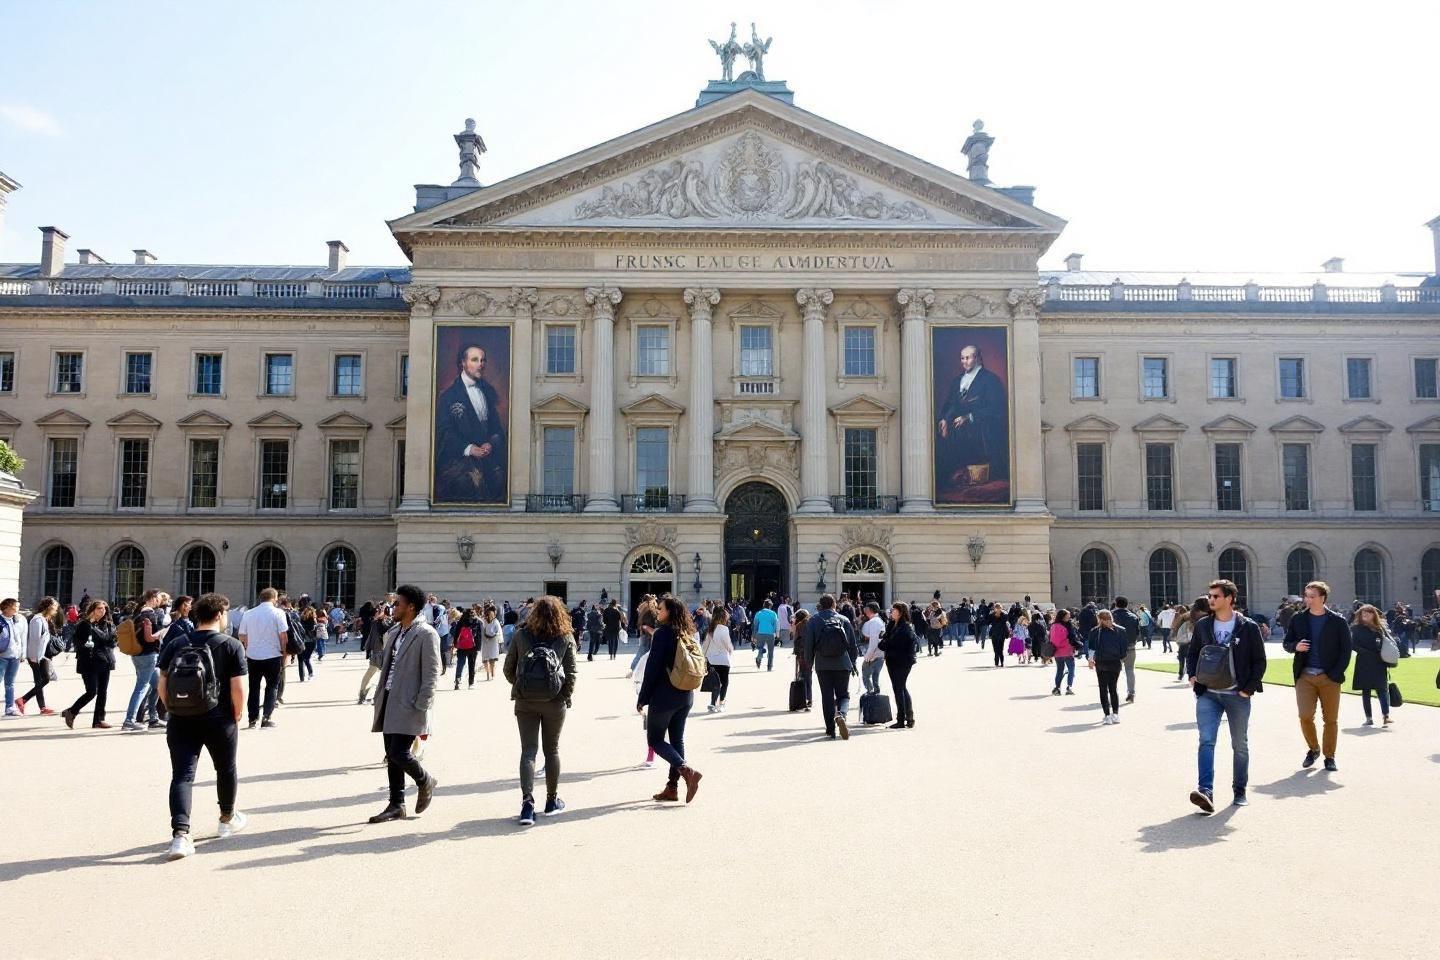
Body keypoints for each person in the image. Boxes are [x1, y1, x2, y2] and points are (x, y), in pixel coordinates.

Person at [156, 592, 250, 860]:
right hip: (219, 717)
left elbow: (162, 683)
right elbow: (238, 687)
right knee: (225, 768)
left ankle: (181, 836)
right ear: (220, 614)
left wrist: (173, 708)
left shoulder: (176, 642)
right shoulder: (231, 645)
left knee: (182, 775)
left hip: (180, 718)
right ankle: (226, 818)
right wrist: (237, 713)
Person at [1186, 579, 1266, 813]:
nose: (1211, 600)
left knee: (1239, 745)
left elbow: (1259, 661)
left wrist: (1248, 688)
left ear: (1229, 598)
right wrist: (1192, 675)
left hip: (1237, 694)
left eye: (1216, 596)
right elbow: (1193, 653)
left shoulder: (1248, 627)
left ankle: (1239, 791)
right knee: (1206, 740)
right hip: (1208, 693)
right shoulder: (1203, 625)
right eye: (1209, 596)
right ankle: (1205, 791)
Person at [367, 584, 441, 824]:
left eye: (397, 603)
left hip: (410, 702)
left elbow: (432, 672)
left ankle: (424, 780)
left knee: (399, 752)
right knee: (391, 754)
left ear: (411, 607)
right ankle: (396, 804)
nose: (392, 606)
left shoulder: (426, 634)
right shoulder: (396, 631)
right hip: (389, 698)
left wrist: (423, 703)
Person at [503, 595, 578, 825]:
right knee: (552, 750)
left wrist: (522, 687)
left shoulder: (521, 634)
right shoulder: (565, 637)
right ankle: (551, 800)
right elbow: (572, 673)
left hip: (525, 701)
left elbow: (508, 669)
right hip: (554, 702)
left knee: (528, 751)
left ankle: (527, 804)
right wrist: (563, 696)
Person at [636, 596, 703, 803]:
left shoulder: (663, 634)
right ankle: (672, 787)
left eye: (661, 609)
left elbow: (653, 668)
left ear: (670, 612)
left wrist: (643, 697)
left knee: (655, 740)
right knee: (677, 740)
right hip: (685, 694)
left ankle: (686, 771)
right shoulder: (686, 632)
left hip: (665, 695)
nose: (658, 612)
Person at [1281, 581, 1353, 773]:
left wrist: (1335, 674)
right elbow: (1286, 642)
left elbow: (1346, 651)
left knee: (1330, 719)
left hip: (1329, 677)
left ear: (1322, 598)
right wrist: (1295, 646)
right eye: (1306, 595)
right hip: (1305, 675)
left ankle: (1330, 756)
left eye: (1312, 596)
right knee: (1305, 716)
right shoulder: (1298, 619)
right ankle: (1313, 749)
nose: (1308, 599)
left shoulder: (1338, 621)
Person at [434, 344, 508, 504]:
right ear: (463, 363)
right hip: (458, 462)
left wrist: (490, 442)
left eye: (483, 360)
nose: (480, 364)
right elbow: (444, 432)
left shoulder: (488, 392)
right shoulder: (449, 396)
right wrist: (469, 449)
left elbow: (495, 427)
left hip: (487, 460)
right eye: (475, 360)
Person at [935, 343, 1010, 495]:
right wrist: (943, 419)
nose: (964, 361)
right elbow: (950, 404)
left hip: (983, 435)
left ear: (977, 358)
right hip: (958, 436)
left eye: (967, 358)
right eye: (962, 358)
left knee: (978, 480)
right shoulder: (957, 381)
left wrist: (969, 417)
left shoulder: (990, 380)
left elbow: (996, 408)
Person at [804, 594, 860, 740]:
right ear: (834, 604)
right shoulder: (844, 620)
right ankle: (841, 714)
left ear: (820, 605)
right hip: (842, 663)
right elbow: (853, 645)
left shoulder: (813, 620)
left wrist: (808, 662)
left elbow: (808, 643)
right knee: (843, 695)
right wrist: (853, 662)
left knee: (827, 696)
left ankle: (830, 729)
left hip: (823, 664)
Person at [238, 588, 289, 729]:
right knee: (272, 687)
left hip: (253, 655)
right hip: (273, 654)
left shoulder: (248, 613)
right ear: (274, 598)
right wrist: (284, 654)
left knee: (254, 687)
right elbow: (283, 636)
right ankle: (267, 717)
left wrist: (249, 646)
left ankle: (252, 719)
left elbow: (242, 635)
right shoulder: (278, 613)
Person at [63, 600, 116, 729]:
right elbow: (77, 642)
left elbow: (111, 641)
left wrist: (99, 636)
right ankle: (72, 711)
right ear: (92, 609)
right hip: (89, 661)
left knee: (103, 692)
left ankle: (99, 720)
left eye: (104, 609)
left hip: (105, 660)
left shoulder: (108, 624)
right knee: (92, 691)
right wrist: (87, 644)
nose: (102, 611)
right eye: (99, 608)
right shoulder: (84, 625)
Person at [1349, 604, 1393, 727]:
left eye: (1369, 613)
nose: (1366, 615)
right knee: (1366, 691)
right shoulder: (1355, 628)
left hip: (1379, 662)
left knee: (1382, 690)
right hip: (1364, 662)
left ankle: (1386, 716)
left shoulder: (1380, 628)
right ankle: (1369, 718)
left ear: (1374, 615)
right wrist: (1364, 652)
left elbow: (1390, 643)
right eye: (1363, 613)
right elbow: (1352, 644)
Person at [16, 597, 59, 716]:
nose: (56, 610)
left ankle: (40, 706)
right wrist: (34, 657)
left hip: (40, 655)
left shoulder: (44, 619)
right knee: (44, 680)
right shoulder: (37, 620)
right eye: (55, 607)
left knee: (40, 681)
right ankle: (23, 700)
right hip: (36, 656)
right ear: (49, 607)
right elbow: (34, 639)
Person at [879, 601, 917, 728]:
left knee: (899, 688)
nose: (891, 612)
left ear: (900, 613)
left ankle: (902, 719)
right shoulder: (892, 625)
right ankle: (909, 718)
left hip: (902, 661)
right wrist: (885, 642)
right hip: (892, 660)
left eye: (893, 610)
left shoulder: (905, 627)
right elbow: (884, 642)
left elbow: (890, 643)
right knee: (900, 687)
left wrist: (885, 642)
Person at [1086, 609, 1127, 724]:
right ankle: (1115, 714)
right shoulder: (1121, 630)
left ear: (1100, 619)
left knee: (1103, 689)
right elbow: (1124, 650)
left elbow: (1091, 647)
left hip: (1102, 662)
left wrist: (1090, 660)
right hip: (1115, 661)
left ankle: (1107, 715)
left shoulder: (1095, 631)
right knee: (1113, 688)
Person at [1110, 596, 1142, 704]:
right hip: (1130, 646)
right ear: (1127, 604)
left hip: (1115, 647)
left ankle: (1113, 693)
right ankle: (1131, 693)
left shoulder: (1111, 616)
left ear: (1116, 604)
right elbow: (1138, 632)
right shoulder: (1133, 616)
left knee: (1114, 672)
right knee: (1130, 670)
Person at [703, 608, 733, 712]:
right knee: (724, 682)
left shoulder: (711, 629)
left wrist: (703, 658)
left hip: (711, 660)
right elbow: (728, 645)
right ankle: (721, 702)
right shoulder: (724, 629)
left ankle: (712, 703)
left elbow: (705, 645)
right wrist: (730, 651)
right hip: (723, 660)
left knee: (715, 683)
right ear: (724, 618)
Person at [1, 598, 27, 716]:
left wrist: (22, 654)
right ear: (7, 607)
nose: (17, 609)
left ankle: (10, 707)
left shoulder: (17, 620)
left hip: (15, 657)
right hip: (2, 656)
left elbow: (21, 639)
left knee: (10, 683)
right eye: (15, 607)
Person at [859, 602, 886, 696]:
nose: (864, 611)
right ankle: (875, 694)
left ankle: (871, 694)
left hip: (874, 654)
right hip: (880, 654)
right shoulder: (878, 620)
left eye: (866, 609)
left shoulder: (873, 622)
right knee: (875, 676)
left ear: (869, 610)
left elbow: (874, 641)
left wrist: (867, 657)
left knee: (866, 676)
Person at [1050, 608, 1078, 695]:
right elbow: (1071, 638)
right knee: (1071, 670)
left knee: (1059, 670)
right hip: (1067, 651)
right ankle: (1069, 687)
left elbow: (1052, 639)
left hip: (1057, 652)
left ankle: (1057, 688)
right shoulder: (1067, 626)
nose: (1069, 618)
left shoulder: (1053, 626)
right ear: (1063, 617)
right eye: (1067, 616)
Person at [791, 608, 813, 711]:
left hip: (801, 654)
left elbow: (796, 641)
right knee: (808, 676)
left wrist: (796, 653)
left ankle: (804, 698)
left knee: (802, 675)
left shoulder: (799, 626)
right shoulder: (811, 624)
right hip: (810, 654)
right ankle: (809, 698)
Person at [452, 608, 477, 689]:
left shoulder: (461, 621)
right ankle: (471, 683)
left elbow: (456, 633)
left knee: (460, 663)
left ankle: (457, 681)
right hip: (472, 646)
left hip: (462, 646)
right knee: (471, 665)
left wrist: (455, 643)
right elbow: (477, 634)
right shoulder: (475, 621)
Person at [752, 600, 778, 671]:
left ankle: (759, 657)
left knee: (760, 647)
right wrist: (777, 635)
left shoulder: (758, 613)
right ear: (770, 606)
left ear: (764, 605)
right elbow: (776, 625)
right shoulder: (773, 614)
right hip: (770, 634)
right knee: (770, 651)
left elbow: (755, 626)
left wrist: (754, 636)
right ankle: (769, 667)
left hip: (760, 633)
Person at [296, 605, 318, 682]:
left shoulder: (301, 620)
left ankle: (304, 676)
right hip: (311, 641)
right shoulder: (313, 620)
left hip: (303, 641)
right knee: (306, 658)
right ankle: (310, 673)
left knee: (303, 659)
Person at [599, 599, 623, 663]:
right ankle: (614, 654)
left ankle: (610, 654)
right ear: (615, 604)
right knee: (615, 641)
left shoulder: (606, 610)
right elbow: (620, 619)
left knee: (610, 641)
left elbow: (604, 620)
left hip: (608, 627)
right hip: (616, 627)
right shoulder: (616, 610)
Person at [986, 602, 1008, 667]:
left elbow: (1004, 622)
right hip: (994, 634)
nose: (998, 609)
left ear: (1001, 609)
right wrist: (992, 616)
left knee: (1000, 649)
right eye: (996, 608)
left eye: (999, 608)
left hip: (1001, 634)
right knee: (995, 649)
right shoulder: (991, 615)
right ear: (994, 609)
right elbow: (988, 622)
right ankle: (996, 662)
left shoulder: (1004, 615)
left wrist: (998, 616)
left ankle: (1002, 662)